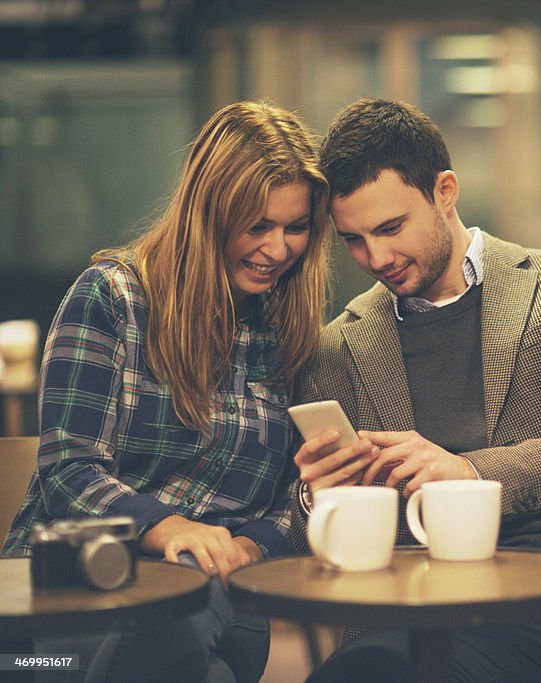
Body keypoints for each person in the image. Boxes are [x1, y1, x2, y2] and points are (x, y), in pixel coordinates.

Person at [289, 98, 541, 682]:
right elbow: (316, 542)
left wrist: (471, 473)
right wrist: (318, 499)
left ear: (444, 190)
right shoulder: (338, 347)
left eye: (391, 228)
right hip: (419, 601)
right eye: (353, 240)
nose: (376, 258)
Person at [2, 101, 332, 682]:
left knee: (197, 609)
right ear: (209, 214)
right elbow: (68, 473)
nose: (278, 250)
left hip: (223, 594)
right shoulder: (111, 298)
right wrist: (171, 529)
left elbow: (295, 494)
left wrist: (252, 546)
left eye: (296, 228)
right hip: (75, 598)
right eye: (257, 226)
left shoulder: (289, 329)